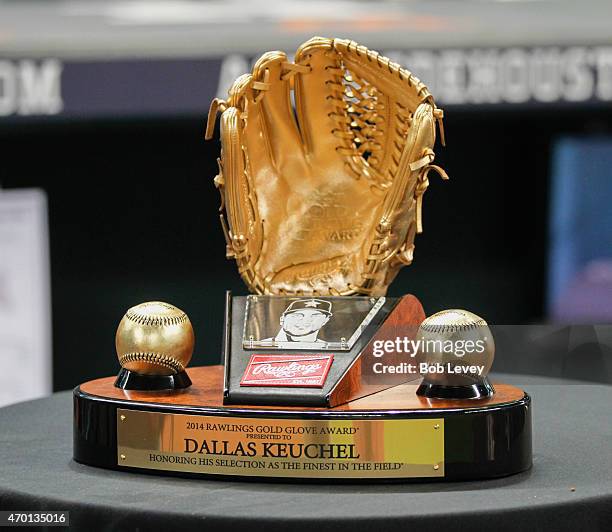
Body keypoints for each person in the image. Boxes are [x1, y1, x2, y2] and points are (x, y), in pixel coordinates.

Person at [264, 299, 333, 348]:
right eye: (297, 315)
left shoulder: (328, 347)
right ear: (282, 319)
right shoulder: (263, 345)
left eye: (315, 316)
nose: (305, 321)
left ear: (326, 320)